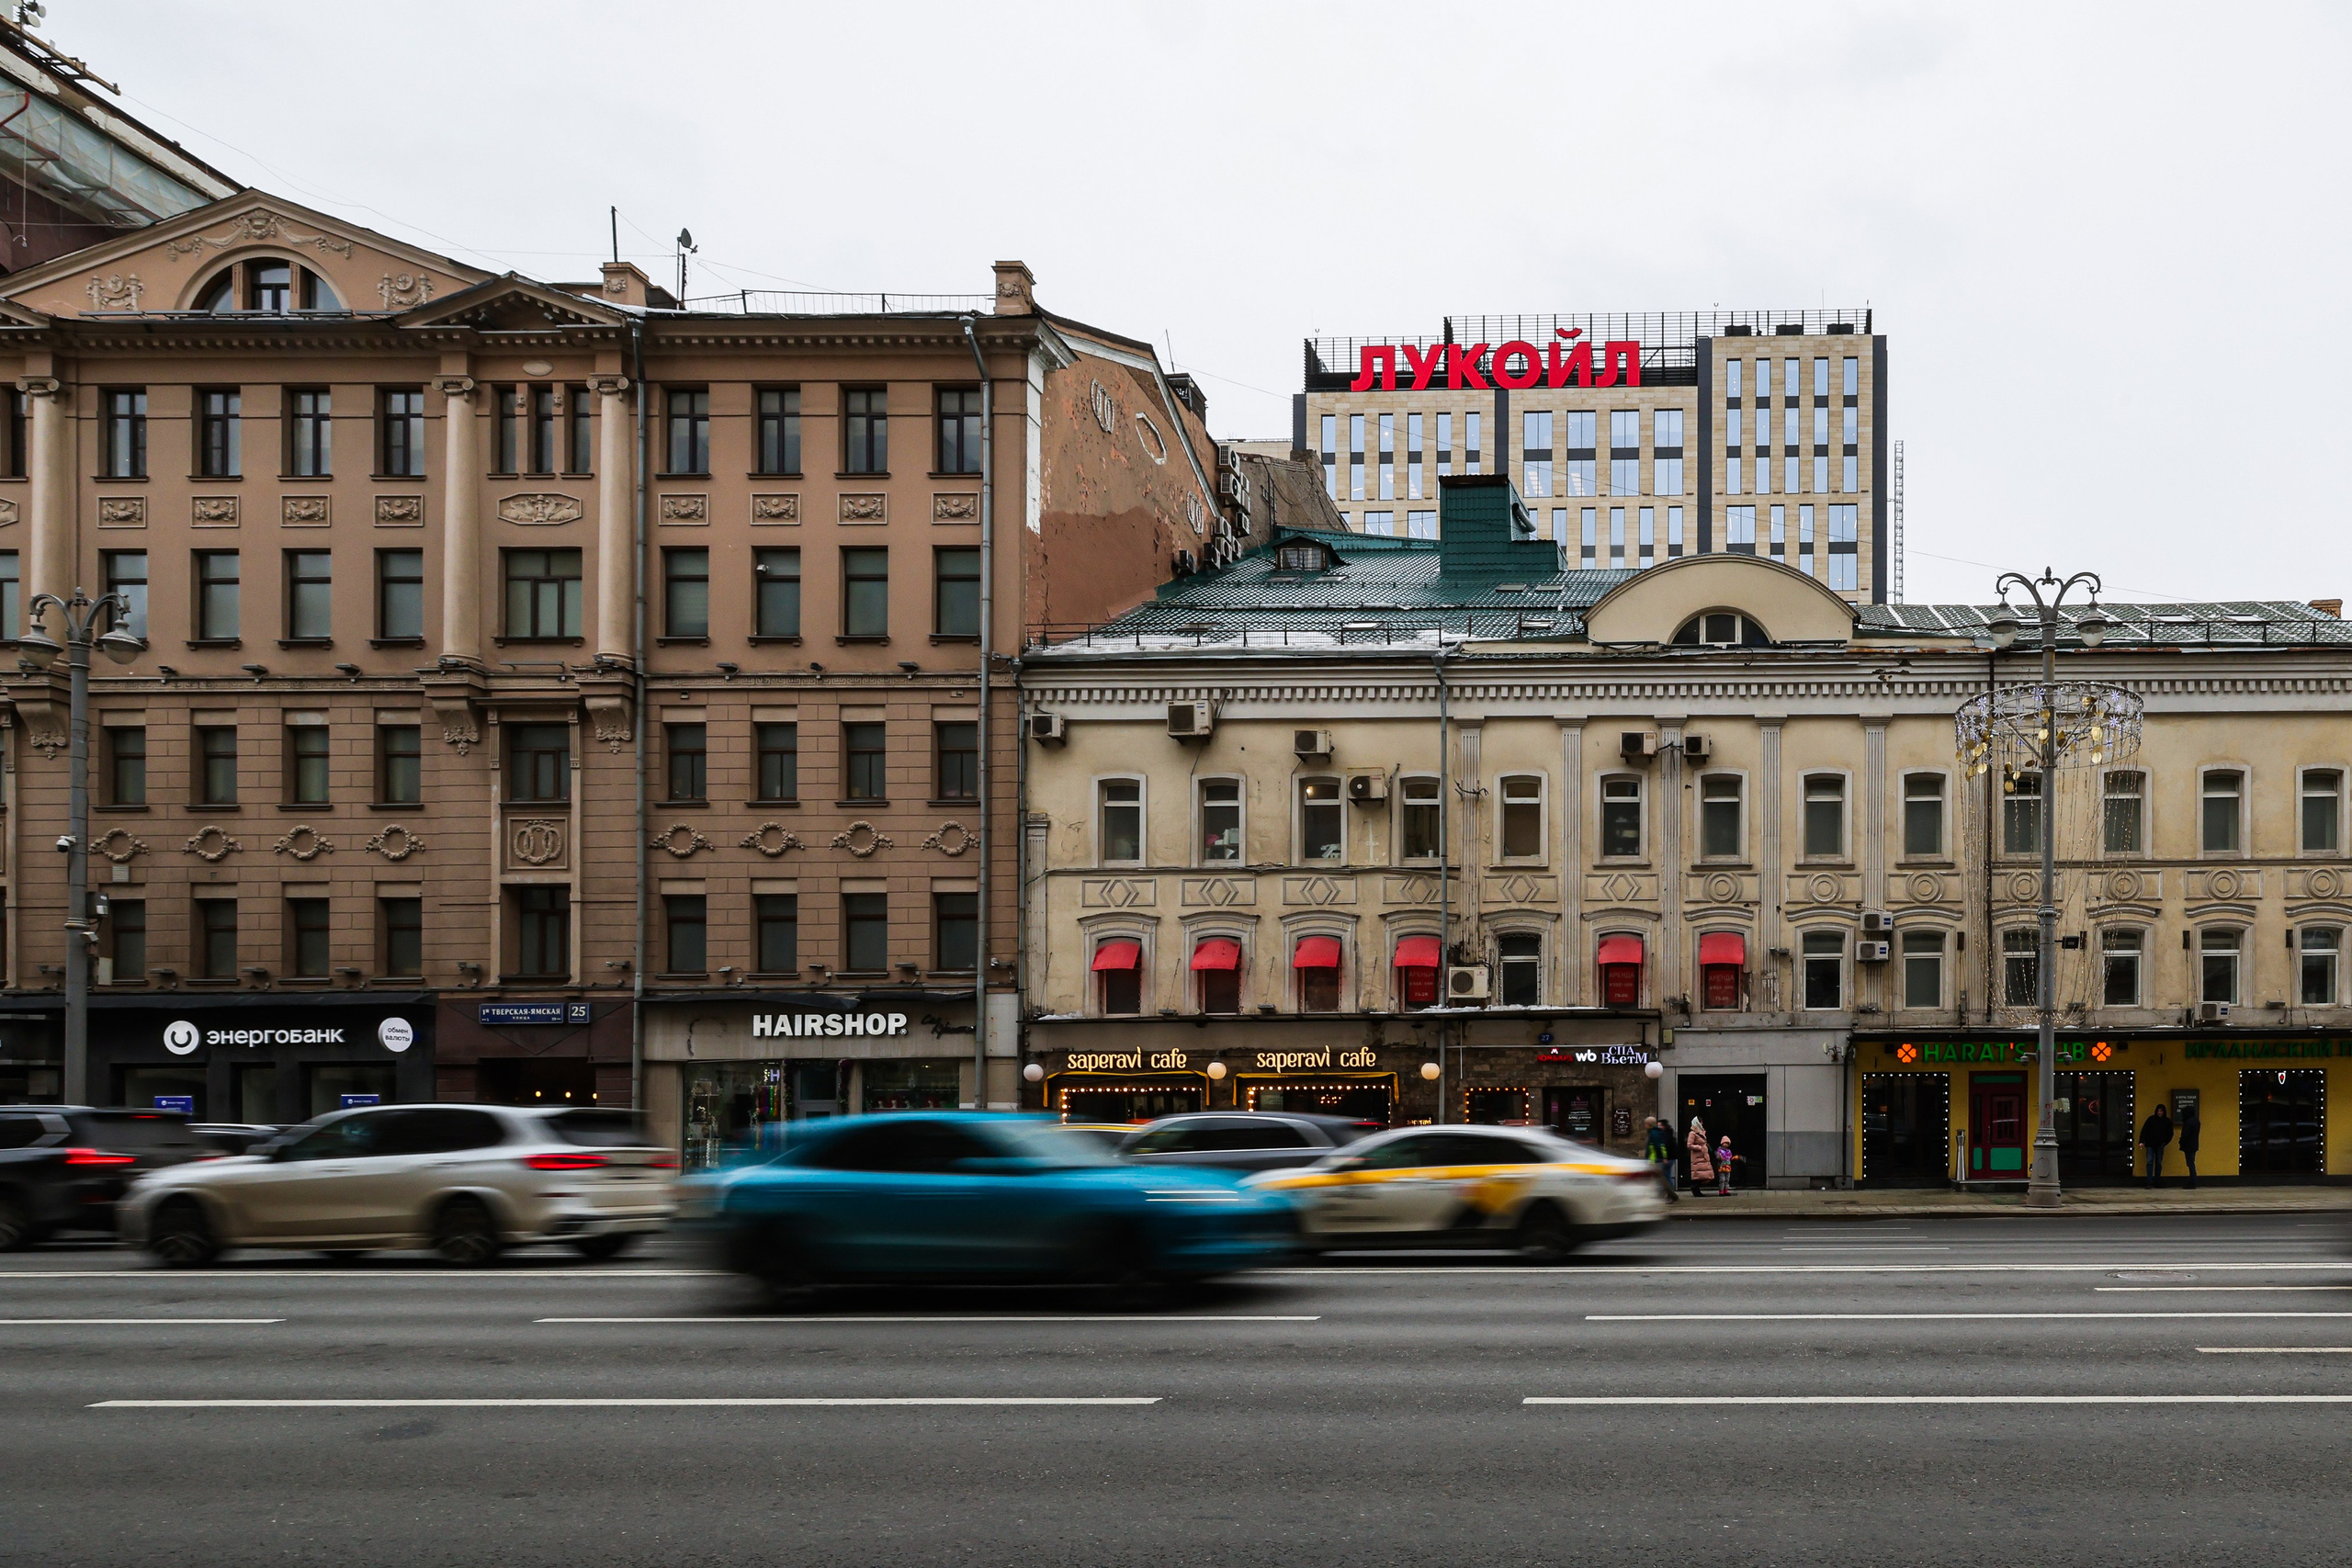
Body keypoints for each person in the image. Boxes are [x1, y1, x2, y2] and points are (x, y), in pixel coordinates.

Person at [2139, 1101, 2175, 1190]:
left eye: (2161, 1111)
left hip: (2159, 1144)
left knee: (2157, 1162)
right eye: (2158, 1111)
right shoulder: (2151, 1120)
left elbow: (2170, 1134)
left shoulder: (2166, 1121)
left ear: (2163, 1112)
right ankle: (2150, 1181)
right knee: (2151, 1162)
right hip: (2151, 1144)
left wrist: (2165, 1142)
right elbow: (2144, 1131)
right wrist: (2142, 1141)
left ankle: (2156, 1180)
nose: (2159, 1112)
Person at [1645, 1116, 1679, 1201]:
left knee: (1663, 1178)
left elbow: (1659, 1146)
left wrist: (1664, 1157)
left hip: (1656, 1160)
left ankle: (1671, 1195)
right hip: (1655, 1159)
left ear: (1649, 1124)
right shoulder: (1655, 1132)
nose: (1645, 1126)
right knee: (1661, 1178)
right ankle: (1666, 1194)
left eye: (1646, 1124)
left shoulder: (1654, 1133)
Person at [1686, 1116, 1713, 1198]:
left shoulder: (1700, 1132)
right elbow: (1689, 1145)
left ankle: (1696, 1189)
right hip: (1698, 1157)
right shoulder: (1692, 1133)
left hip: (1703, 1157)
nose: (1702, 1123)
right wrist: (1700, 1148)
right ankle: (1695, 1189)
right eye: (1701, 1122)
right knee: (1700, 1174)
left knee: (1705, 1175)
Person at [2177, 1103, 2200, 1190]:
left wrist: (2181, 1141)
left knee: (2190, 1163)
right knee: (2191, 1162)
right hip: (2194, 1145)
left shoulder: (2188, 1122)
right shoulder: (2196, 1121)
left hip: (2188, 1145)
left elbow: (2185, 1134)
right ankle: (2193, 1180)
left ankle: (2193, 1181)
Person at [1715, 1132, 1737, 1196]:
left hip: (1727, 1167)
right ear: (1722, 1143)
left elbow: (1730, 1157)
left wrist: (1733, 1158)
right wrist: (1719, 1157)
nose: (1726, 1145)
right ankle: (1721, 1191)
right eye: (1725, 1143)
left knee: (1727, 1179)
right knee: (1722, 1179)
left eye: (1728, 1144)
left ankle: (1726, 1190)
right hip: (1722, 1167)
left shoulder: (1729, 1151)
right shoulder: (1719, 1150)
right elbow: (1717, 1157)